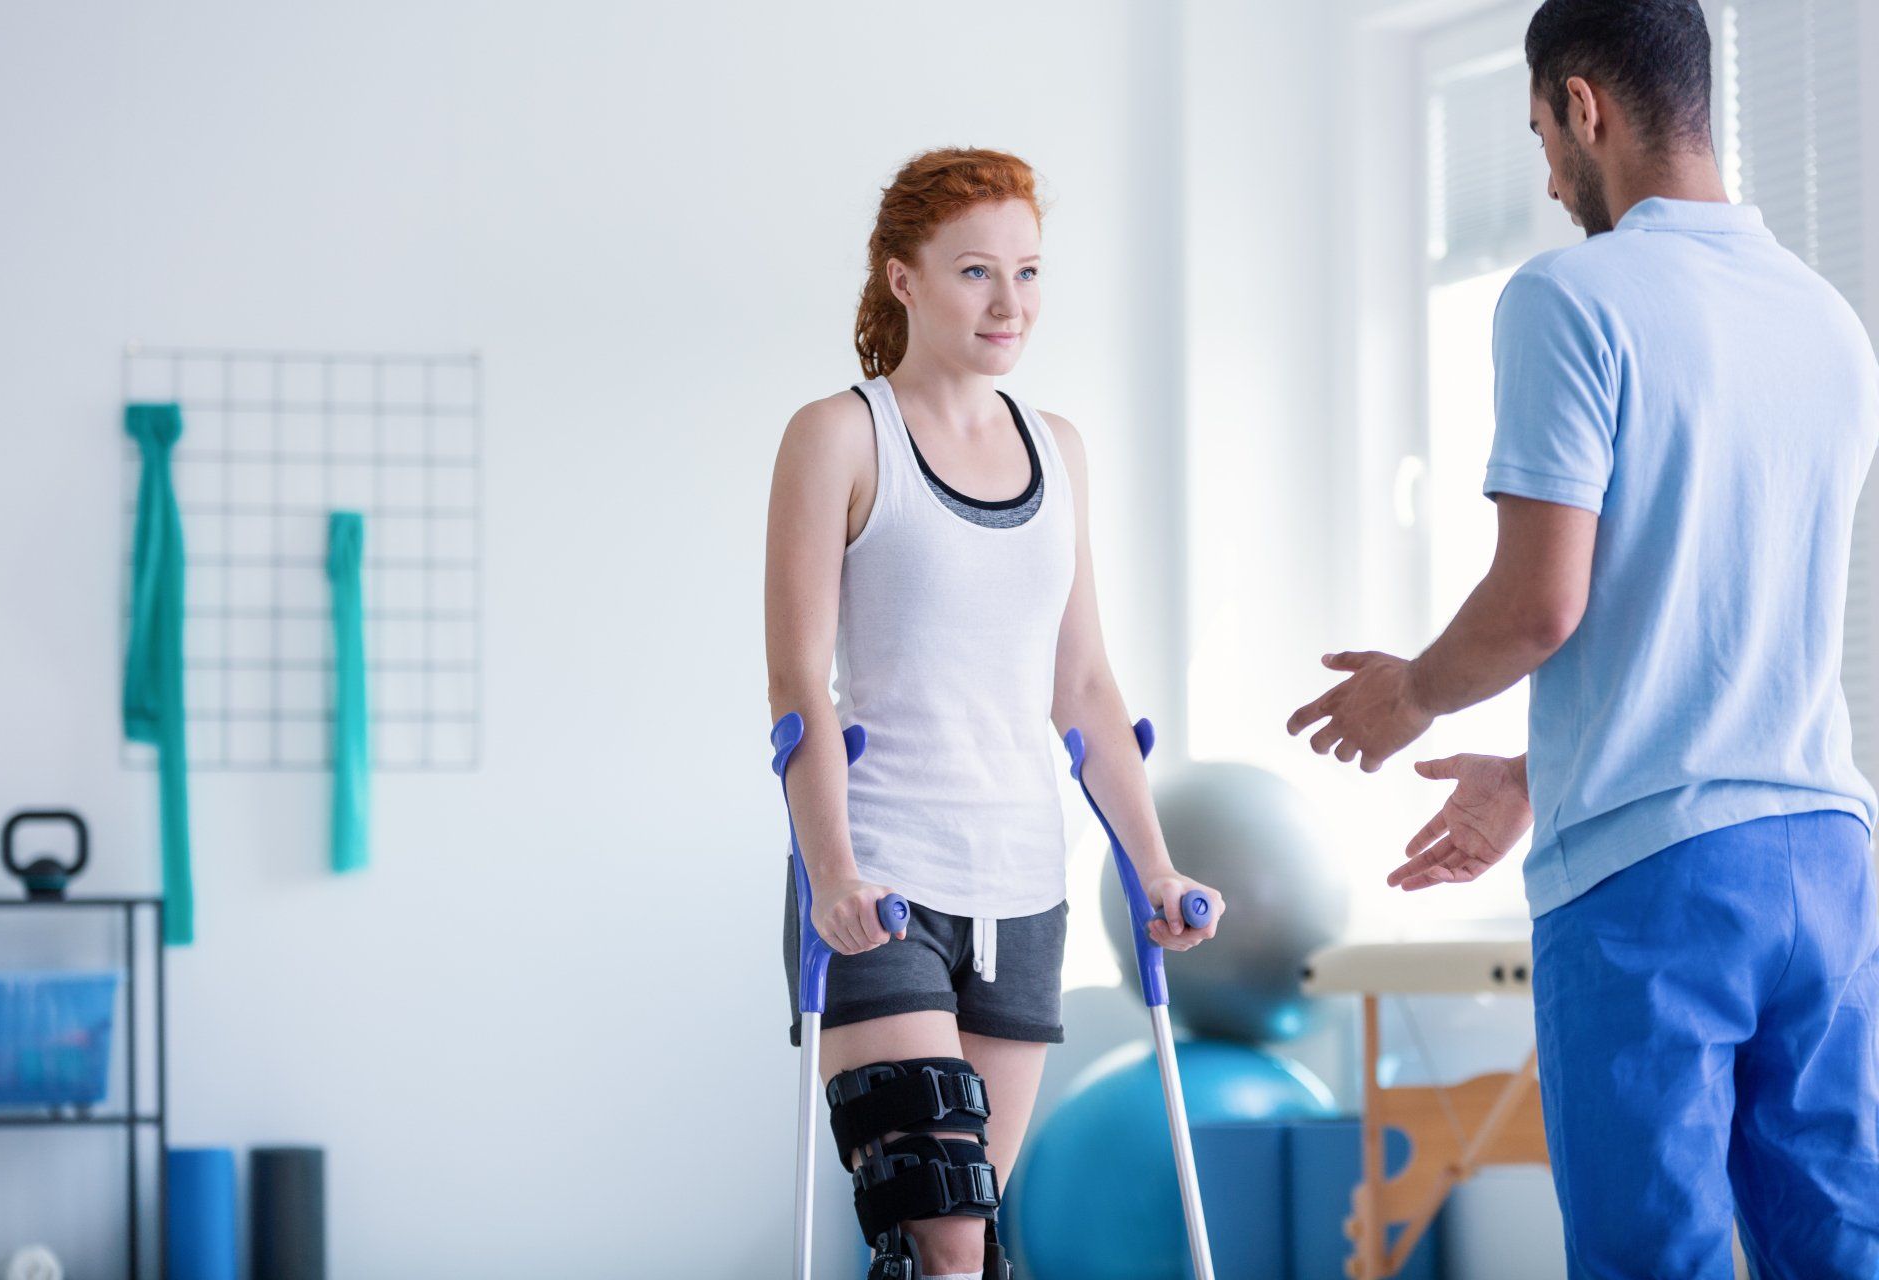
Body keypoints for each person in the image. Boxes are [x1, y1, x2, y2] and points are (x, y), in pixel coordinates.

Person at [1285, 2, 1879, 1275]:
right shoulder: (1829, 322)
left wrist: (1413, 696)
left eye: (1544, 139)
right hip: (1826, 861)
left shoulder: (1572, 294)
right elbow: (1722, 632)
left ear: (1584, 105)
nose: (1550, 182)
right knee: (1836, 1248)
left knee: (1646, 1258)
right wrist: (1530, 775)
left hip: (1655, 886)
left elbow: (1540, 603)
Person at [764, 147, 1224, 1280]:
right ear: (902, 278)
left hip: (1023, 886)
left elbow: (1086, 686)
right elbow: (797, 686)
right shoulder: (839, 436)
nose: (1009, 302)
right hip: (881, 881)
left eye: (1027, 271)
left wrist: (1156, 869)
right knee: (942, 1226)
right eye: (976, 271)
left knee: (963, 1252)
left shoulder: (1057, 448)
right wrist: (832, 876)